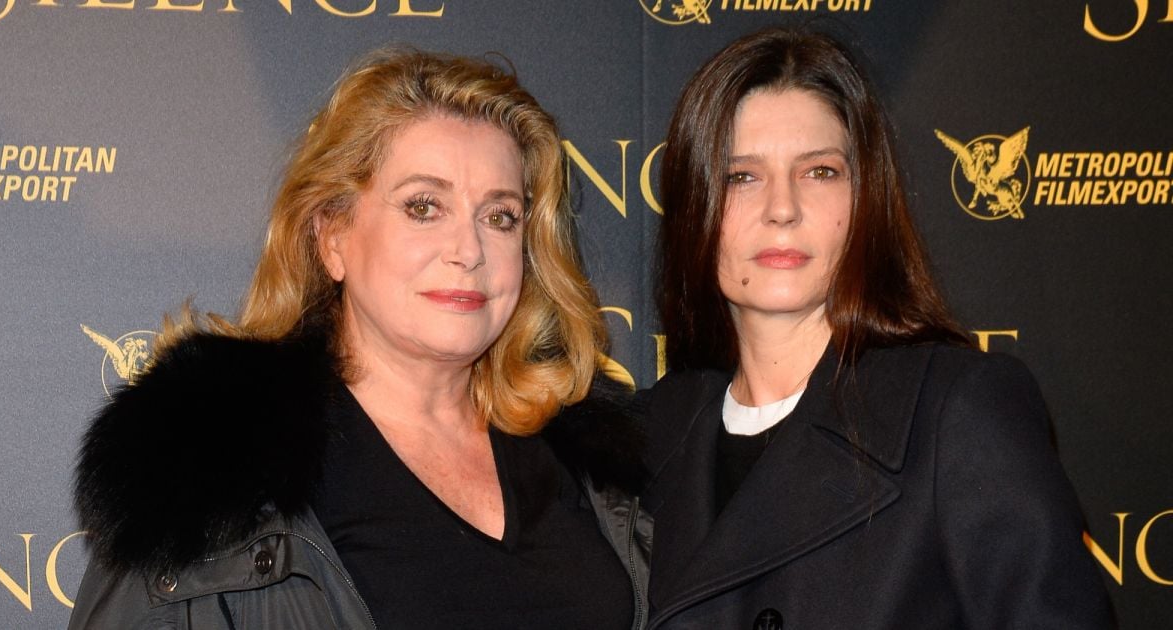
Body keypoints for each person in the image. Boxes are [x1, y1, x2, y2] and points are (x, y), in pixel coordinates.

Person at [68, 49, 649, 630]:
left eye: (500, 216)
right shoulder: (209, 465)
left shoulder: (591, 460)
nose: (469, 251)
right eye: (424, 207)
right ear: (333, 237)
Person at [640, 27, 1114, 629]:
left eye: (820, 172)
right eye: (742, 177)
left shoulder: (955, 411)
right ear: (693, 205)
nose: (782, 209)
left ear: (866, 199)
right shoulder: (653, 437)